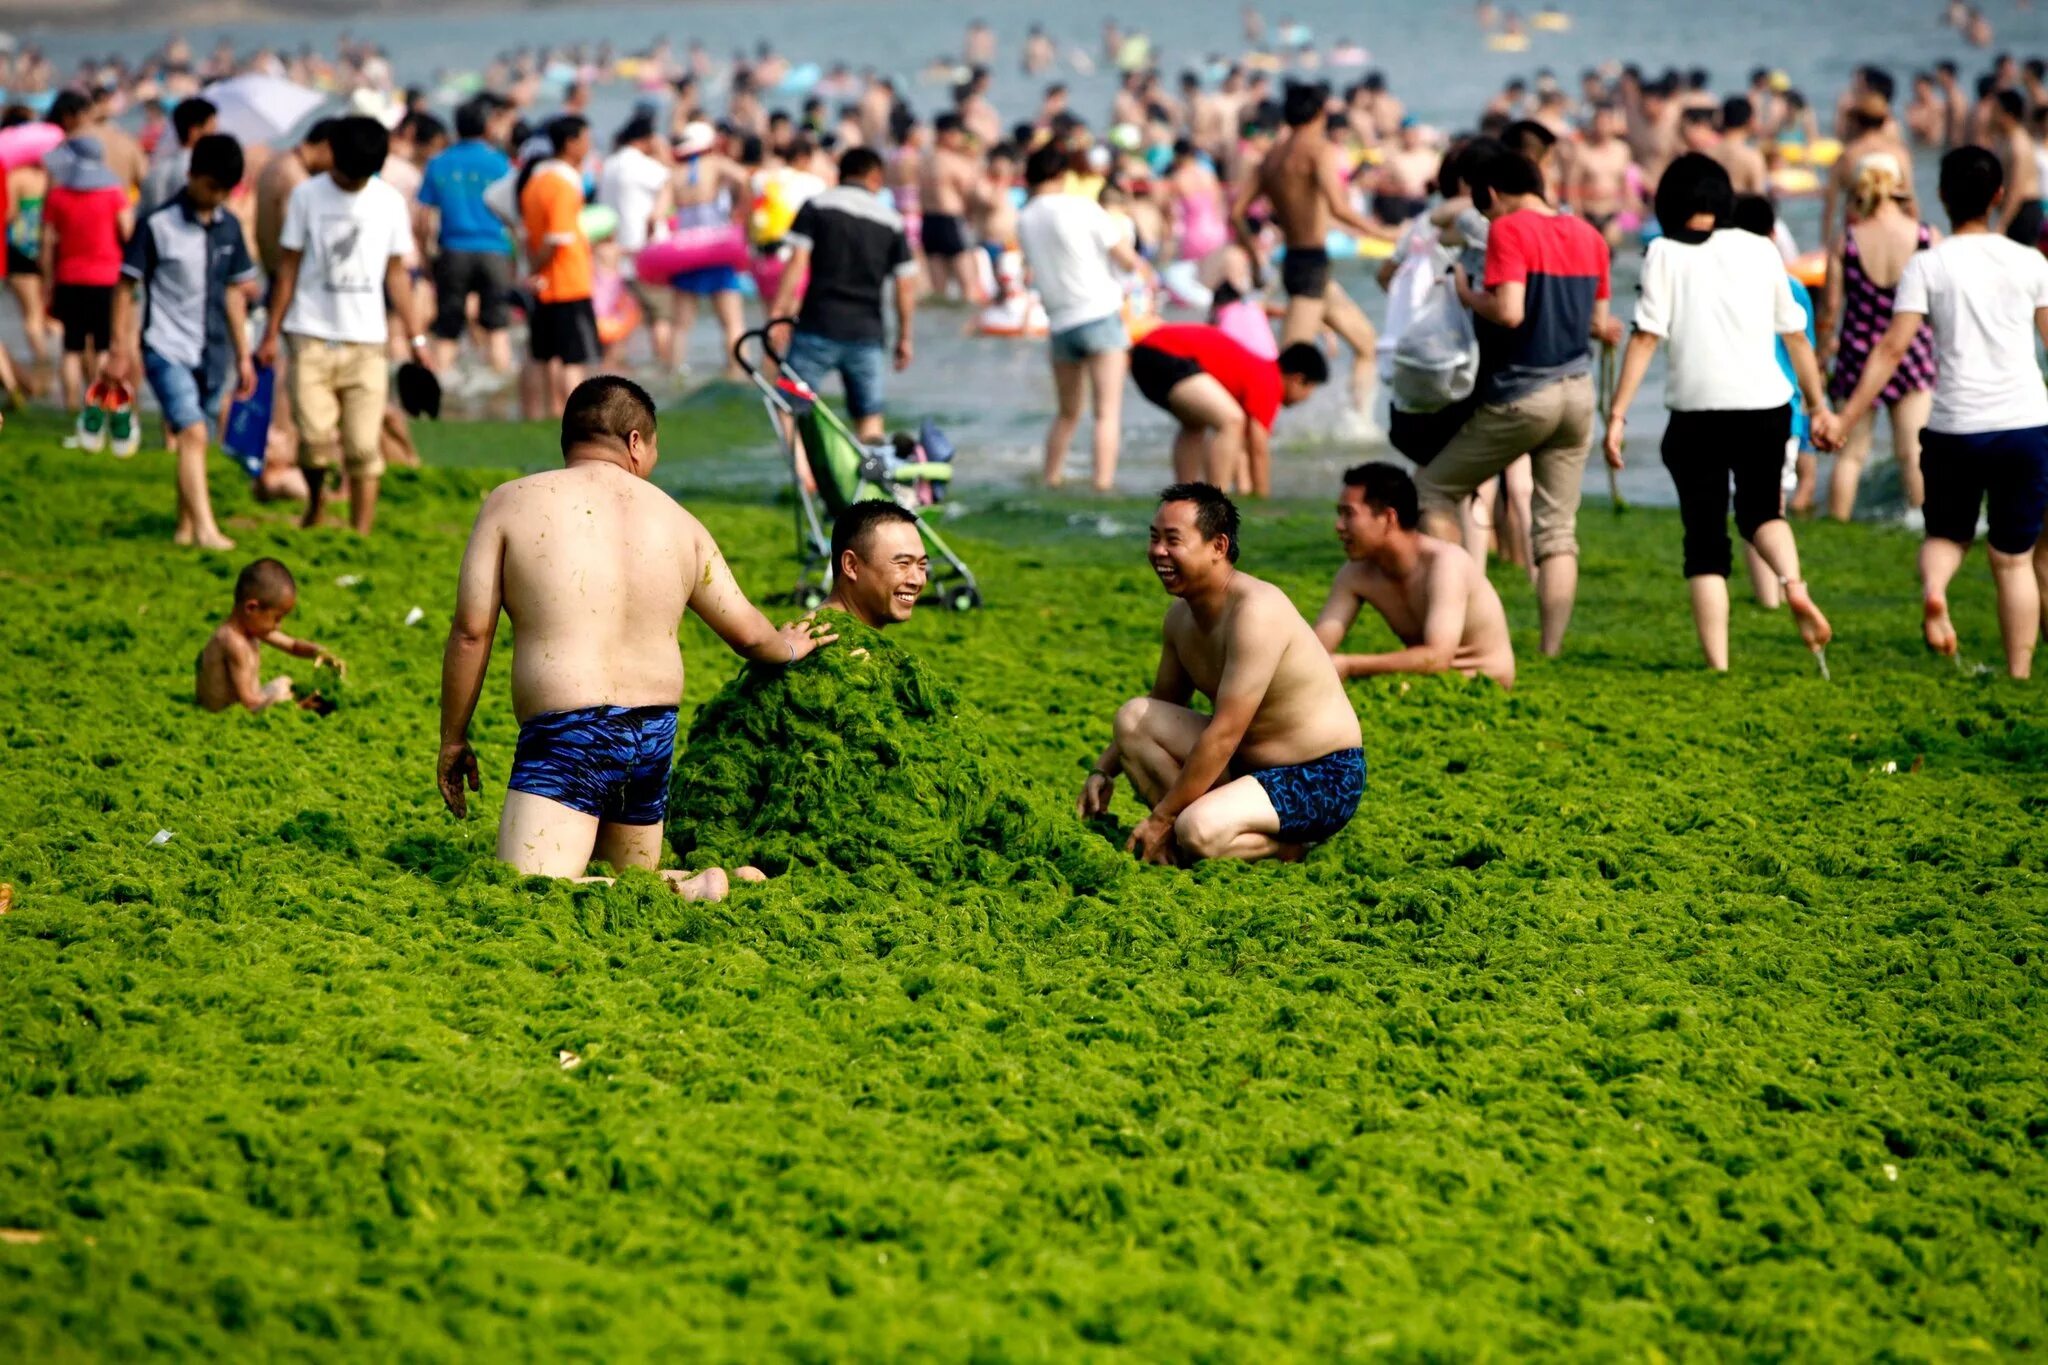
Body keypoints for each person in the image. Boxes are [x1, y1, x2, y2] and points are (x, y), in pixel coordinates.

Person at [437, 376, 834, 892]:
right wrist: (789, 645)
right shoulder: (680, 522)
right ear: (634, 442)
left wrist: (453, 738)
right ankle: (721, 881)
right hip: (652, 735)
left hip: (568, 733)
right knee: (629, 884)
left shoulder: (511, 502)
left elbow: (472, 632)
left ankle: (688, 889)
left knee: (529, 889)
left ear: (569, 439)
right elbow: (748, 633)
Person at [1603, 154, 1835, 672]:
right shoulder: (1761, 248)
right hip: (1767, 407)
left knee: (1704, 540)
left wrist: (1618, 415)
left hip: (1696, 414)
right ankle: (1793, 585)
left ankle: (1719, 665)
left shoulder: (1661, 253)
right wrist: (1818, 406)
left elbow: (1645, 338)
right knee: (1762, 514)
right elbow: (1795, 335)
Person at [1828, 147, 2048, 679]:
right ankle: (2018, 673)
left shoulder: (1929, 263)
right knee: (2013, 560)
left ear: (1943, 196)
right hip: (2024, 423)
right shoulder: (2032, 261)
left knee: (1946, 537)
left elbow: (1891, 350)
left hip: (1955, 427)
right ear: (1999, 197)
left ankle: (1935, 591)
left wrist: (1846, 416)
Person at [1077, 482, 1365, 865]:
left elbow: (1226, 732)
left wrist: (1162, 816)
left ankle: (1285, 847)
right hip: (1247, 768)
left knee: (1195, 829)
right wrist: (1103, 770)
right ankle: (1194, 836)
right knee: (1133, 719)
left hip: (1321, 775)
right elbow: (1161, 705)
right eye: (1154, 538)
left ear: (1218, 547)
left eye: (1173, 540)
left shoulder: (1256, 612)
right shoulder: (1181, 619)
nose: (1159, 552)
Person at [1416, 147, 1616, 658]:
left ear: (1493, 193)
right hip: (1578, 394)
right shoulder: (1590, 236)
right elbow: (1599, 324)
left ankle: (1455, 617)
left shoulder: (1511, 229)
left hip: (1524, 396)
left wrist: (1465, 294)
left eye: (1484, 206)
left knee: (1434, 488)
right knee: (1557, 532)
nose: (1486, 217)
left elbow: (1508, 311)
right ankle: (1550, 650)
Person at [256, 115, 432, 536]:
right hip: (310, 335)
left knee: (362, 447)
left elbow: (397, 275)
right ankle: (317, 504)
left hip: (368, 341)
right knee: (314, 444)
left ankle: (361, 532)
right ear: (332, 153)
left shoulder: (388, 202)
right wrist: (270, 333)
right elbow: (288, 268)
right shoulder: (306, 197)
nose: (352, 182)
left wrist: (416, 336)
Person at [105, 134, 258, 552]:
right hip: (165, 345)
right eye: (212, 187)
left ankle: (185, 527)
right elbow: (126, 287)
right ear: (192, 175)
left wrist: (244, 355)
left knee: (198, 439)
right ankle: (207, 531)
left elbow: (232, 292)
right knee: (191, 433)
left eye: (226, 191)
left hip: (214, 351)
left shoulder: (229, 226)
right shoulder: (157, 224)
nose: (218, 197)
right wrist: (120, 349)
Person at [1239, 82, 1384, 423]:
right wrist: (1385, 233)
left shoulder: (1271, 157)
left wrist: (1256, 256)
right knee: (1284, 378)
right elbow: (1338, 207)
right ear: (1319, 114)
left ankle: (1358, 423)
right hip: (1311, 267)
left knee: (1366, 344)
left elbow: (1237, 213)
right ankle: (1243, 430)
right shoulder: (1318, 150)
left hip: (1299, 263)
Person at [1313, 462, 1516, 689]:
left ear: (1389, 517)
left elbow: (1437, 658)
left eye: (1349, 514)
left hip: (1482, 683)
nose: (1339, 526)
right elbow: (1315, 651)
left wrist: (1350, 665)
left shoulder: (1446, 564)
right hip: (1422, 682)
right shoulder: (1356, 574)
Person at [1015, 143, 1146, 491]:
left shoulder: (1025, 218)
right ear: (1062, 174)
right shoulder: (1082, 206)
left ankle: (1050, 478)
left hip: (1060, 325)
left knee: (1067, 413)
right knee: (1106, 414)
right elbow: (1127, 260)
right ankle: (1102, 485)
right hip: (1100, 315)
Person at [770, 145, 918, 443]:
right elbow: (905, 285)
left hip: (817, 325)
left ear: (841, 174)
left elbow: (797, 262)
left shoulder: (817, 206)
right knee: (870, 417)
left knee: (788, 407)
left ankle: (804, 477)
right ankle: (870, 480)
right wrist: (905, 337)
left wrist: (780, 312)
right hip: (867, 334)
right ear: (876, 177)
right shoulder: (892, 221)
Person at [1819, 153, 1938, 520]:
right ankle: (1924, 523)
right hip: (1912, 352)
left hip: (1858, 352)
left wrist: (1823, 355)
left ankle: (1837, 525)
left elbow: (1830, 310)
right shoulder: (1924, 236)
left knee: (1851, 454)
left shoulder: (1848, 241)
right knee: (1914, 453)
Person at [1128, 323, 1328, 496]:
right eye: (1310, 389)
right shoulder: (1269, 380)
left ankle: (1184, 497)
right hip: (1163, 353)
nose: (1307, 398)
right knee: (1231, 421)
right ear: (1298, 380)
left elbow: (1242, 446)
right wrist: (1263, 496)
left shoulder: (1257, 370)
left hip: (1145, 354)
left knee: (1195, 423)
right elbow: (1258, 448)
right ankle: (1216, 502)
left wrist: (1245, 487)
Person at [419, 94, 516, 377]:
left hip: (453, 250)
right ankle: (501, 391)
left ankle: (438, 390)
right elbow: (512, 215)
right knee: (498, 328)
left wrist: (427, 256)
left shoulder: (438, 163)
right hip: (494, 250)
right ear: (487, 126)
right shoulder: (500, 163)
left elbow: (424, 218)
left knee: (447, 329)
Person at [41, 133, 133, 418]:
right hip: (107, 278)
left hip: (69, 277)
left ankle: (70, 406)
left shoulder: (58, 196)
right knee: (103, 345)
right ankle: (101, 404)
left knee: (72, 347)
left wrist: (47, 283)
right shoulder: (114, 194)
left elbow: (46, 243)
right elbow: (128, 232)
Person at [517, 115, 600, 419]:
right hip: (567, 281)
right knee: (573, 360)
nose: (589, 145)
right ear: (571, 142)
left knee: (538, 356)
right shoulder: (563, 184)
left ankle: (531, 415)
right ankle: (578, 421)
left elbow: (526, 234)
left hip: (546, 285)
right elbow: (557, 238)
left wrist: (533, 270)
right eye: (586, 139)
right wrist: (537, 269)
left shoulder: (534, 180)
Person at [195, 558, 346, 713]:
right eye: (277, 618)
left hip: (248, 701)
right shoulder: (234, 642)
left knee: (285, 683)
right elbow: (248, 703)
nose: (278, 626)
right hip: (227, 711)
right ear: (252, 608)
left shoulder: (251, 628)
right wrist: (296, 708)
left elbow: (293, 646)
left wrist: (320, 652)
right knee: (282, 694)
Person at [666, 120, 751, 379]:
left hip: (685, 251)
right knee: (732, 321)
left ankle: (676, 372)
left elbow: (655, 215)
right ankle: (737, 371)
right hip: (717, 249)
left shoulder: (675, 175)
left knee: (681, 324)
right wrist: (742, 211)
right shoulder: (715, 164)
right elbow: (744, 177)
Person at [596, 112, 674, 366]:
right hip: (645, 252)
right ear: (645, 139)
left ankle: (611, 374)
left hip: (615, 256)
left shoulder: (609, 165)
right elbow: (667, 183)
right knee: (661, 317)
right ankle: (666, 372)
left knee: (617, 323)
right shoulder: (644, 165)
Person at [821, 500, 928, 627]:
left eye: (922, 565)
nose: (917, 580)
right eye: (903, 563)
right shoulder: (827, 642)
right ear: (851, 566)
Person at [919, 114, 985, 304]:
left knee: (938, 290)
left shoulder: (925, 159)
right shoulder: (952, 160)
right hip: (950, 221)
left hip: (929, 221)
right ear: (948, 134)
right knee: (969, 287)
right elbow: (972, 192)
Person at [139, 96, 215, 217]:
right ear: (194, 132)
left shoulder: (155, 171)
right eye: (212, 131)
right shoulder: (201, 175)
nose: (215, 139)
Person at [1988, 90, 2042, 245]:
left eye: (1995, 111)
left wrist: (2002, 224)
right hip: (2013, 211)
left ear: (2008, 115)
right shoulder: (2005, 140)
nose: (1991, 115)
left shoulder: (2019, 144)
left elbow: (2016, 190)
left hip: (2024, 211)